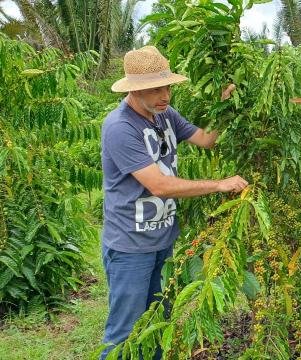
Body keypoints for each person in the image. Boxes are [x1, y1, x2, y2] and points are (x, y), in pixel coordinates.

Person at [100, 46, 248, 358]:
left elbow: (207, 140)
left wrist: (222, 108)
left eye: (167, 86)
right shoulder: (120, 127)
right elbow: (159, 186)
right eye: (156, 89)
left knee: (157, 321)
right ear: (135, 89)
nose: (165, 95)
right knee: (124, 332)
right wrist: (219, 184)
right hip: (129, 245)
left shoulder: (164, 114)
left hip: (163, 241)